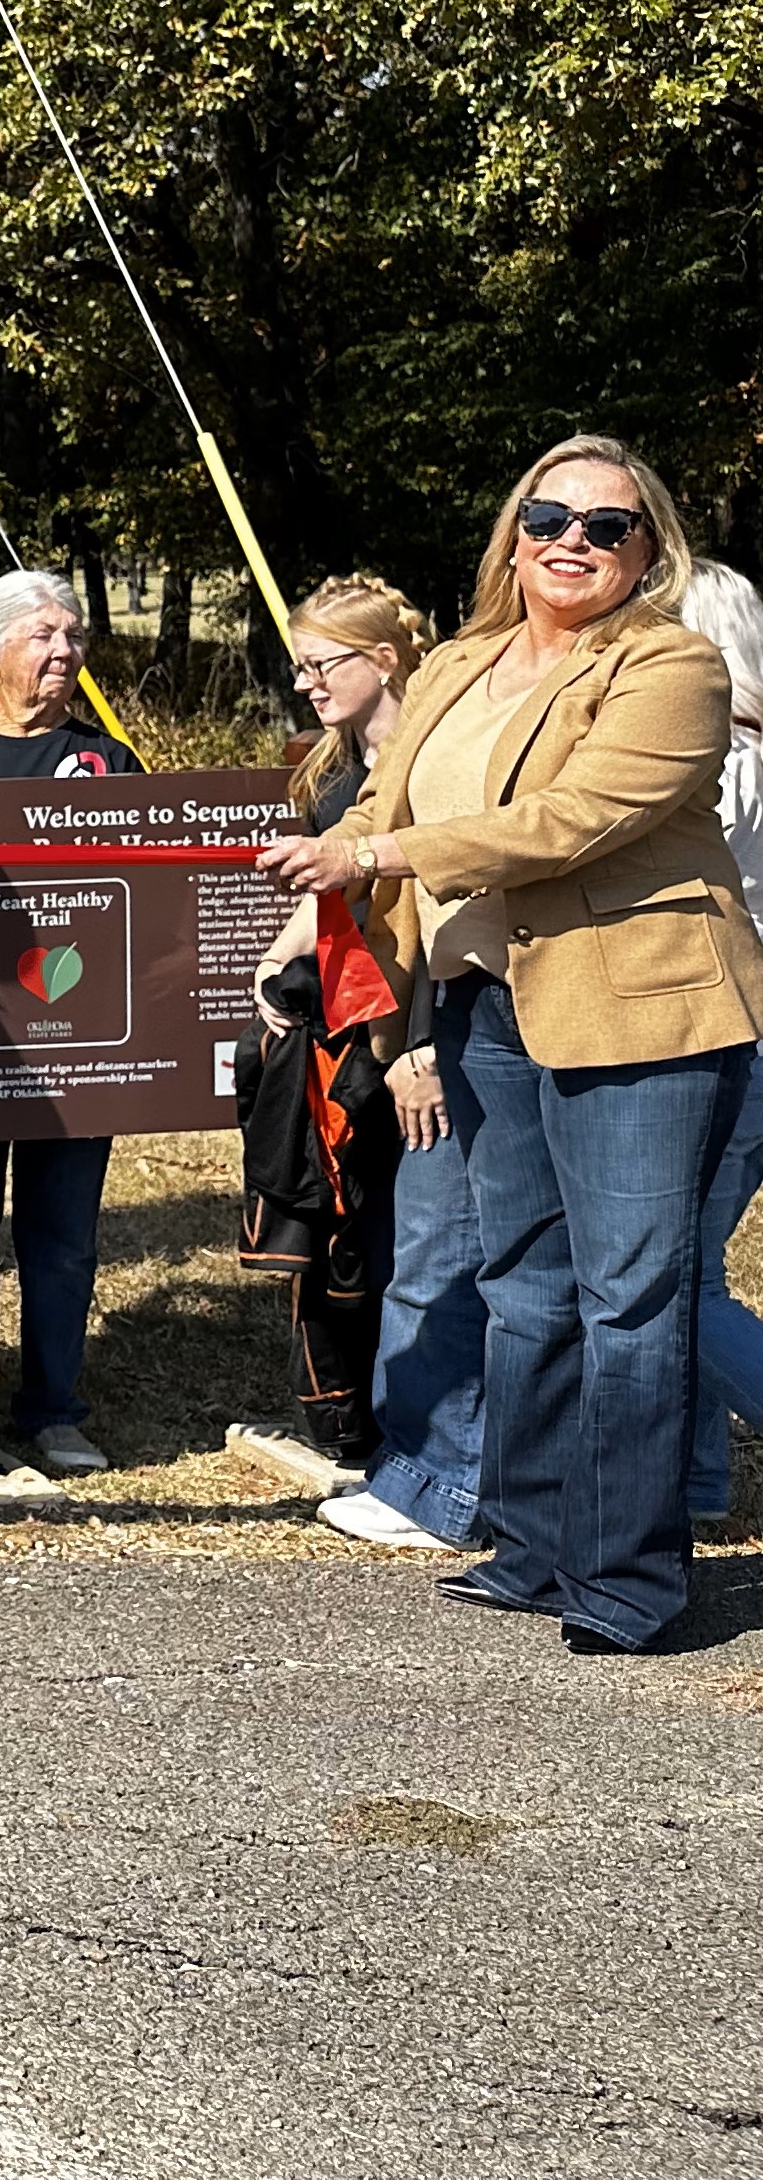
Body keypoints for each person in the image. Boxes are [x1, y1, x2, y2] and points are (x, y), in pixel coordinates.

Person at [261, 439, 763, 1655]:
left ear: (652, 553)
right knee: (522, 1290)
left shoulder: (674, 667)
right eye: (549, 516)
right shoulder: (458, 665)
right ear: (513, 532)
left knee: (631, 1300)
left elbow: (574, 819)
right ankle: (532, 1548)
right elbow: (385, 802)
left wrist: (375, 859)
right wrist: (353, 859)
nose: (573, 541)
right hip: (488, 1008)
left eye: (609, 526)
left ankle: (630, 1579)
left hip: (645, 1016)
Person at [240, 579, 453, 1536]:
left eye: (324, 663)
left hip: (413, 1025)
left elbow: (445, 909)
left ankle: (430, 1456)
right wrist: (281, 955)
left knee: (425, 1248)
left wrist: (420, 1046)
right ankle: (360, 1427)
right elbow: (333, 874)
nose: (307, 682)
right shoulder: (337, 763)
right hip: (346, 1029)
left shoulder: (433, 756)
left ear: (387, 659)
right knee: (350, 1238)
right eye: (299, 666)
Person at [0, 565, 138, 1471]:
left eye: (74, 635)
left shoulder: (106, 759)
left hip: (77, 1031)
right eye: (44, 635)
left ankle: (54, 1407)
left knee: (62, 1233)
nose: (63, 652)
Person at [679, 557, 763, 1536]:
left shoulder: (720, 772)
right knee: (695, 1267)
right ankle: (698, 1481)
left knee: (676, 1281)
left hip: (724, 1037)